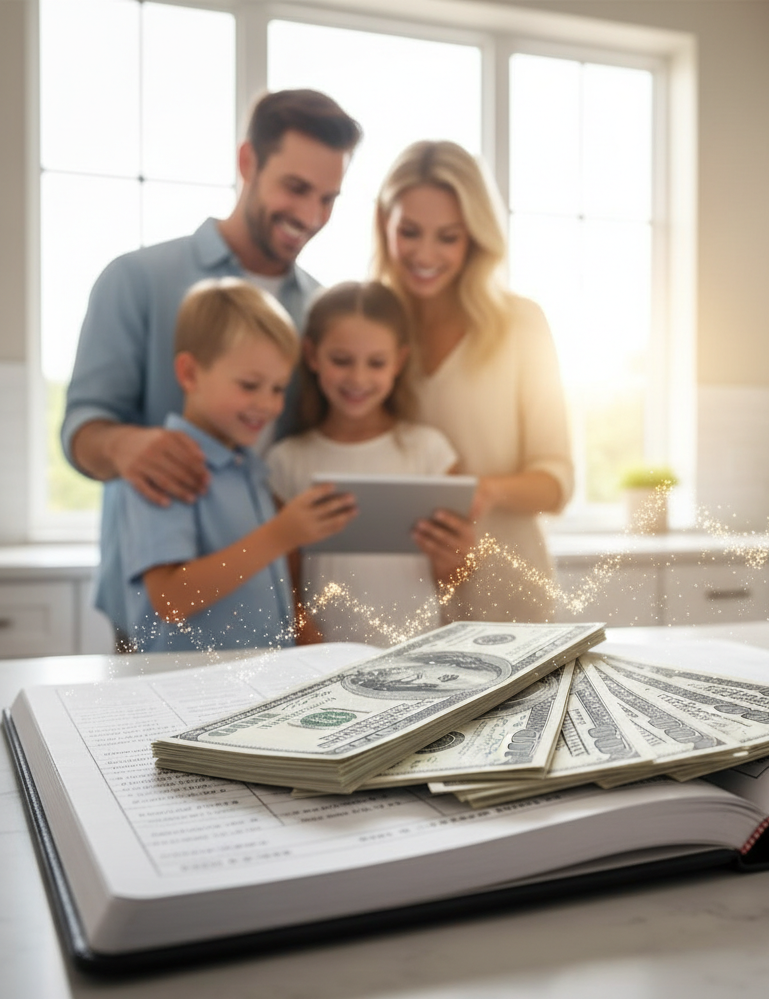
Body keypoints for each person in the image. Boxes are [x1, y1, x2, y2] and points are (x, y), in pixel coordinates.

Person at [60, 89, 362, 643]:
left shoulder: (319, 310)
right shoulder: (137, 280)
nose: (311, 215)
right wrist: (127, 447)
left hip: (268, 610)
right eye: (296, 188)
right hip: (164, 616)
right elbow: (84, 426)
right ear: (248, 162)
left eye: (329, 198)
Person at [372, 140, 574, 622]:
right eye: (410, 232)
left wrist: (483, 490)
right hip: (402, 599)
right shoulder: (371, 328)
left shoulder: (522, 323)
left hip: (509, 594)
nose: (425, 253)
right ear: (385, 226)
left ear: (476, 237)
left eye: (448, 236)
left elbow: (558, 481)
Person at [116, 279, 355, 653]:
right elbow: (170, 598)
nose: (267, 404)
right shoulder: (164, 468)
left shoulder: (249, 469)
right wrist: (282, 534)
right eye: (249, 385)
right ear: (190, 374)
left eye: (278, 388)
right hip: (188, 693)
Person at [266, 281, 469, 645]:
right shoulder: (287, 462)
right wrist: (314, 648)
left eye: (376, 363)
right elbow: (285, 587)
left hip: (418, 652)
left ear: (399, 361)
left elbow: (454, 580)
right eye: (341, 360)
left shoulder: (431, 452)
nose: (358, 378)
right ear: (312, 355)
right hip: (323, 660)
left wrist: (452, 563)